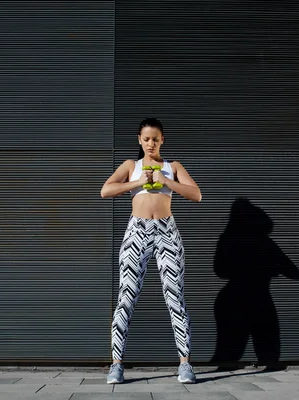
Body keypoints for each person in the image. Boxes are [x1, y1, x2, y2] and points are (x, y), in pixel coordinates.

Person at [100, 117, 202, 384]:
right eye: (146, 139)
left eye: (155, 139)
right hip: (137, 231)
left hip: (167, 232)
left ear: (162, 140)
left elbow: (196, 194)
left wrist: (166, 181)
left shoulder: (172, 166)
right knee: (126, 297)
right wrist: (136, 183)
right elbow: (105, 190)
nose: (151, 143)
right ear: (139, 140)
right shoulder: (130, 166)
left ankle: (185, 364)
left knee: (175, 297)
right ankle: (116, 365)